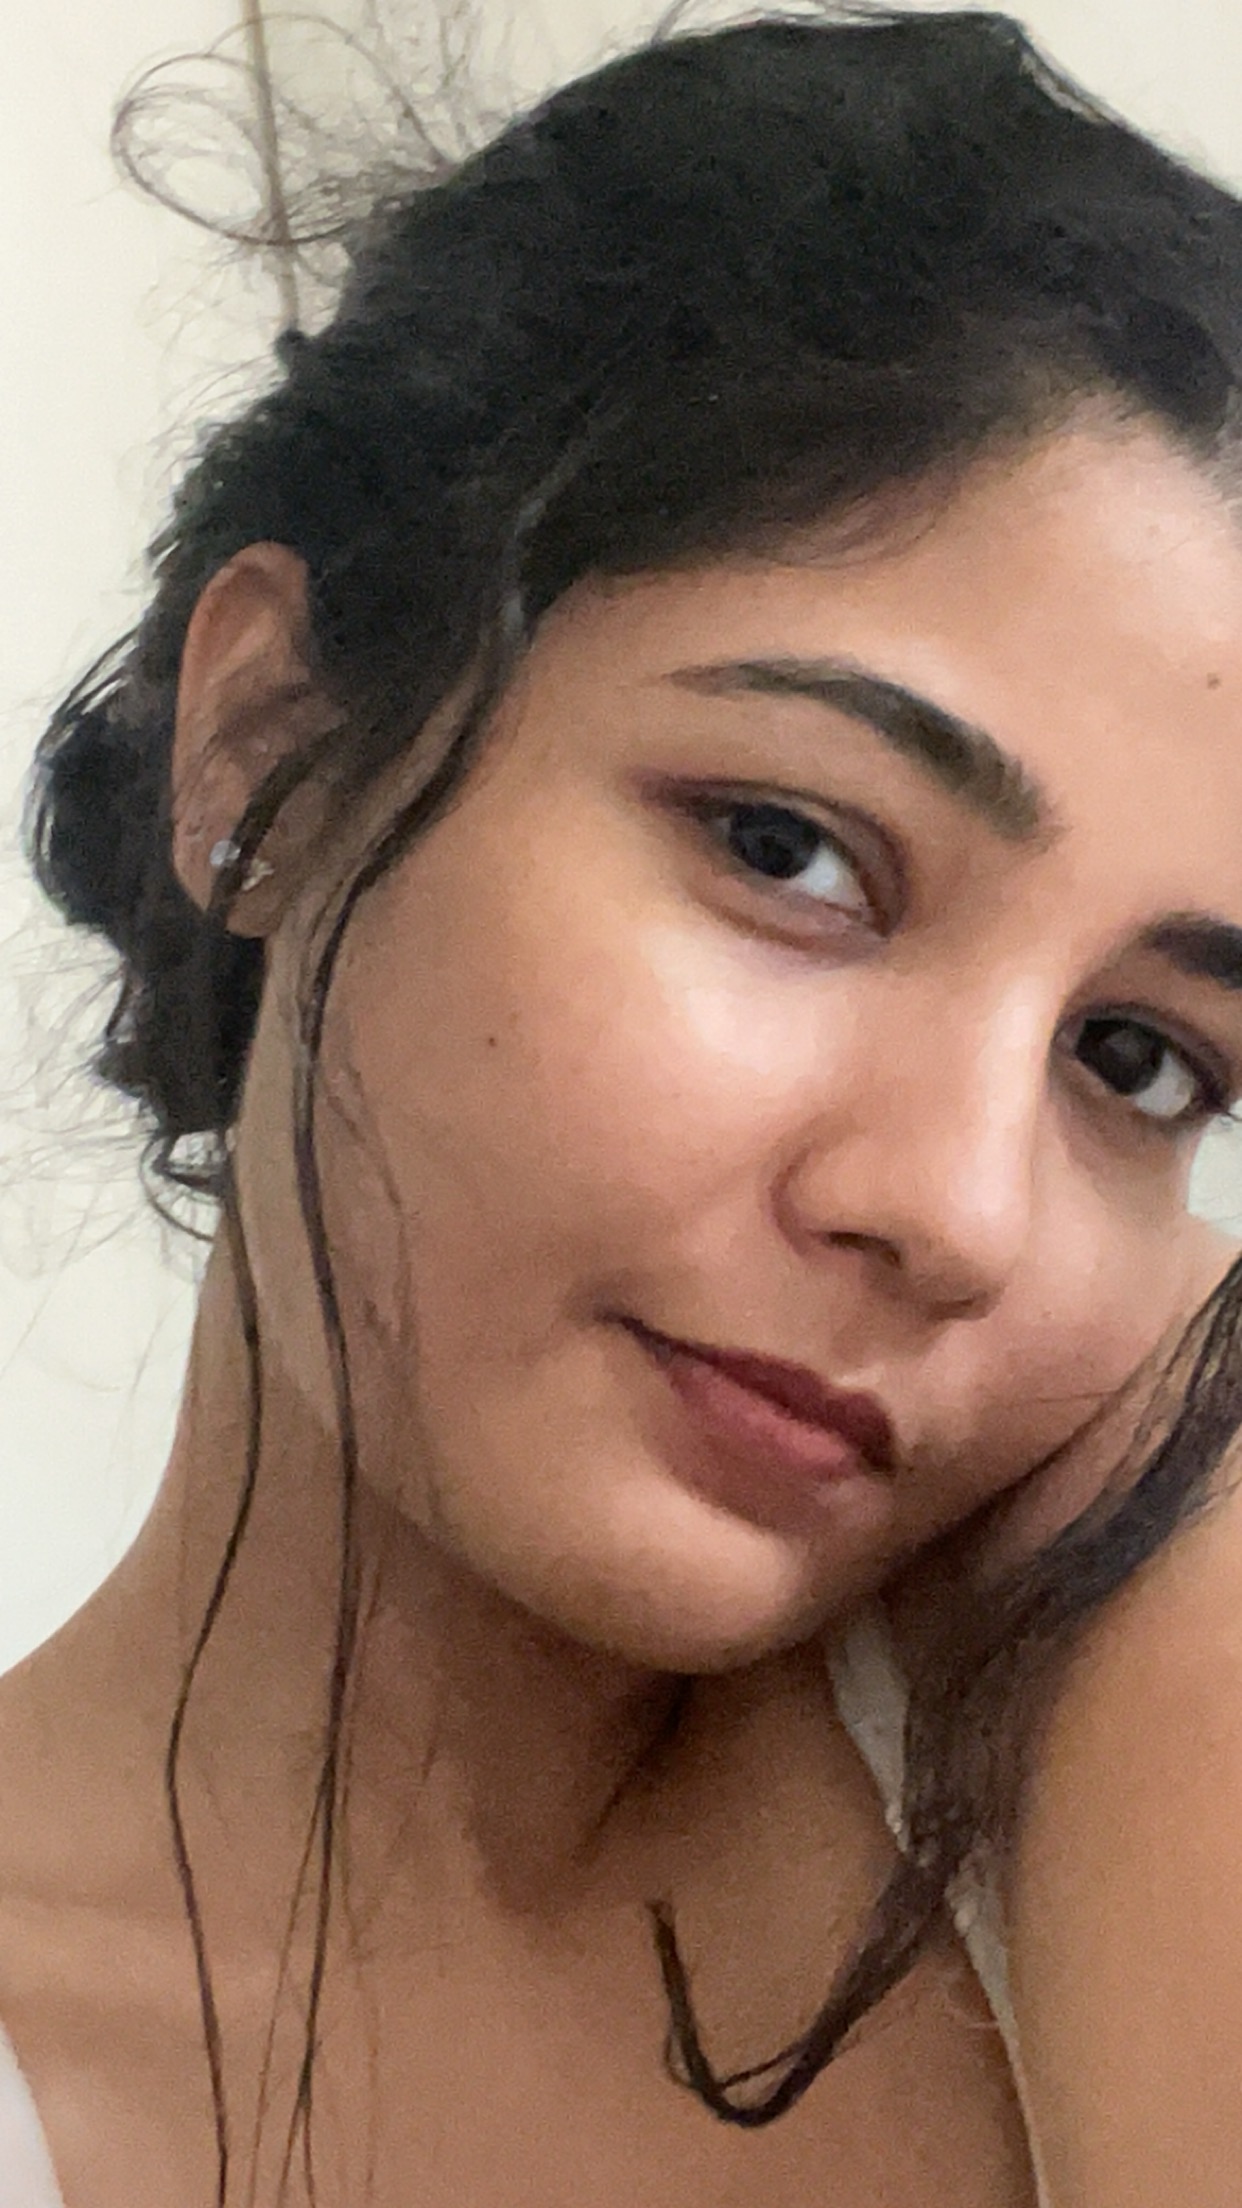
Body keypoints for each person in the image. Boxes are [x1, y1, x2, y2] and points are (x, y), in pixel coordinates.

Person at [6, 5, 1242, 2201]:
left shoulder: (1151, 1608)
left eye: (1136, 1060)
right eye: (791, 851)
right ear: (269, 751)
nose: (958, 1210)